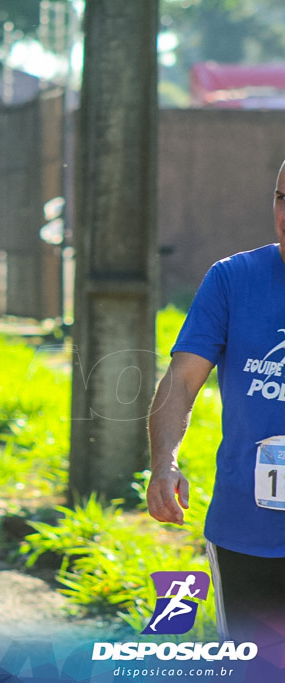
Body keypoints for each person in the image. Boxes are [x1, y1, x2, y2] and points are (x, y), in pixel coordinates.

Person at [147, 158, 285, 647]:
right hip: (245, 530)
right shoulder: (232, 279)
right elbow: (181, 382)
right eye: (282, 198)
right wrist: (163, 463)